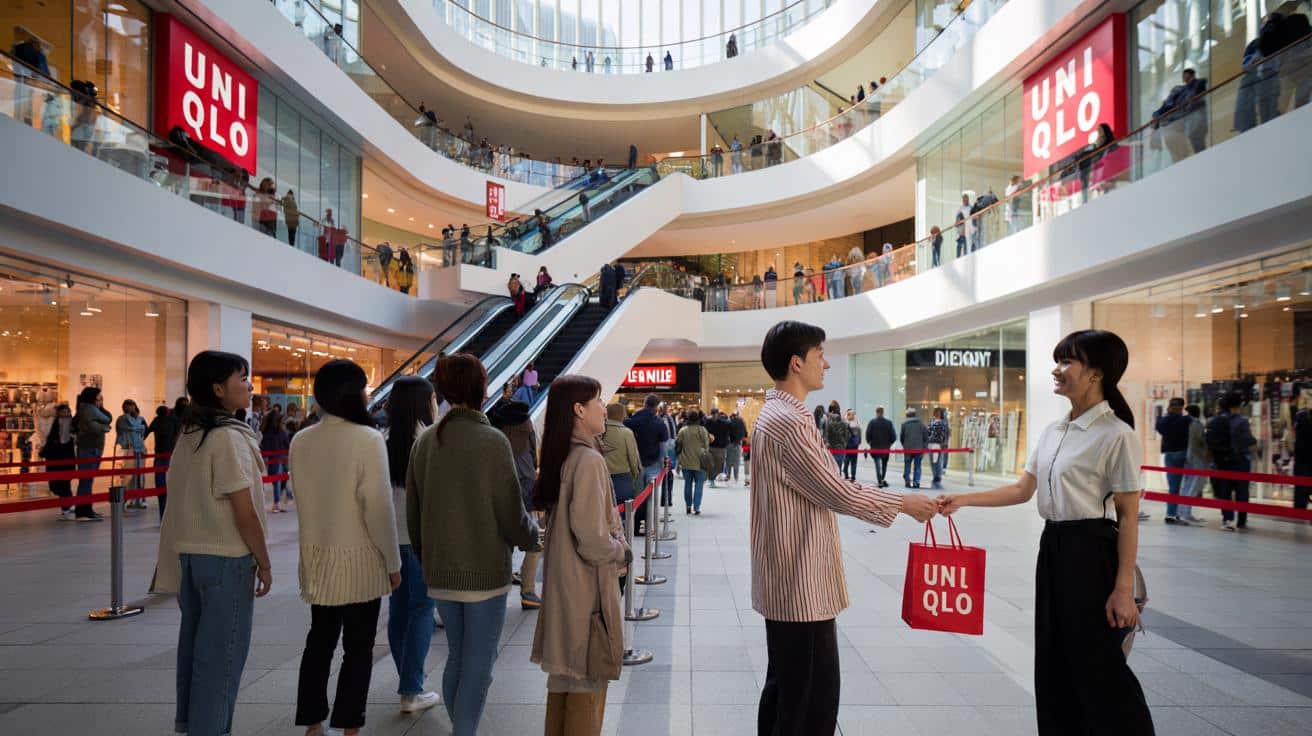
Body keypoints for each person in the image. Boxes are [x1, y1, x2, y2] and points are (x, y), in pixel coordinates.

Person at [938, 329, 1155, 735]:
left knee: (1098, 663)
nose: (1057, 370)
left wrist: (1123, 589)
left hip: (1093, 553)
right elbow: (1022, 490)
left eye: (1067, 361)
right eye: (1058, 360)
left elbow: (1128, 516)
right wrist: (964, 500)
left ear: (1096, 373)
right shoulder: (1054, 431)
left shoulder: (1117, 435)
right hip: (1053, 549)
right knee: (1053, 659)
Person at [753, 321, 936, 735]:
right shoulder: (789, 421)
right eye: (820, 355)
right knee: (809, 704)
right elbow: (836, 491)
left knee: (788, 694)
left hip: (790, 579)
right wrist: (902, 503)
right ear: (797, 363)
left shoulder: (780, 415)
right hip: (800, 584)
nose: (827, 364)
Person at [407, 354, 540, 736]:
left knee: (459, 657)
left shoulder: (426, 441)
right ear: (482, 388)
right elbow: (510, 512)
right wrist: (533, 538)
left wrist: (428, 557)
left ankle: (461, 727)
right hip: (484, 573)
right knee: (479, 666)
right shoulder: (492, 441)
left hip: (440, 571)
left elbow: (414, 512)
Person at [154, 351, 272, 736]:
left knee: (195, 650)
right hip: (226, 559)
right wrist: (264, 561)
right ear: (219, 389)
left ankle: (192, 725)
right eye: (242, 377)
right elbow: (244, 512)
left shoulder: (190, 434)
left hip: (191, 557)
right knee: (222, 658)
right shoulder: (227, 438)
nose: (249, 385)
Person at [290, 360, 402, 736]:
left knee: (319, 642)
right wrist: (393, 562)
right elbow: (379, 508)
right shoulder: (367, 439)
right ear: (353, 393)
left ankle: (313, 722)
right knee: (358, 648)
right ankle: (350, 725)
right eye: (364, 387)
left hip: (318, 558)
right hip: (360, 562)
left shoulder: (301, 440)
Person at [530, 375, 630, 735]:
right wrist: (621, 551)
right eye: (598, 400)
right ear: (579, 409)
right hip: (586, 592)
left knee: (563, 686)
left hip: (565, 588)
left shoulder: (564, 456)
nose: (604, 407)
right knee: (587, 685)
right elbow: (592, 539)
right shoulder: (587, 460)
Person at [382, 377, 442, 711]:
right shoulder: (429, 441)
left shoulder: (382, 440)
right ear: (424, 402)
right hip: (421, 542)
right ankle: (411, 688)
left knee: (399, 610)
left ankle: (408, 678)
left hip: (391, 541)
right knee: (422, 611)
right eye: (433, 399)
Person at [488, 393, 543, 609]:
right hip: (524, 494)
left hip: (500, 497)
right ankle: (528, 591)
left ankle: (500, 588)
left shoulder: (496, 435)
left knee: (504, 544)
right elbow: (532, 463)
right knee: (534, 543)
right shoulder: (525, 429)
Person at [1206, 392, 1257, 531]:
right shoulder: (1241, 421)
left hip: (1222, 460)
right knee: (1242, 491)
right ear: (1237, 405)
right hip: (1240, 460)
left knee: (1225, 491)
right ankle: (1241, 520)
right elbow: (1249, 440)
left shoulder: (1214, 421)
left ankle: (1227, 519)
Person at [625, 394, 670, 528]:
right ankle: (649, 523)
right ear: (657, 406)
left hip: (635, 464)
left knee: (637, 495)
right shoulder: (660, 423)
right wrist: (663, 466)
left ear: (644, 404)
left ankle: (636, 524)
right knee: (650, 496)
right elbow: (663, 447)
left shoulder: (632, 421)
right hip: (654, 464)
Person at [1151, 68, 1208, 162]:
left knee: (1195, 142)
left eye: (1186, 75)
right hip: (1176, 123)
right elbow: (1167, 105)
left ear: (1192, 75)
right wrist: (1156, 115)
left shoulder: (1199, 83)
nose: (1184, 77)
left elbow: (1197, 96)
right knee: (1178, 150)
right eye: (1183, 75)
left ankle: (1201, 159)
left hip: (1190, 118)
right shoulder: (1179, 90)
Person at [73, 386, 111, 521]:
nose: (100, 398)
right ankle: (84, 510)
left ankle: (85, 509)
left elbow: (107, 417)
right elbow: (104, 421)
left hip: (91, 447)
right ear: (92, 397)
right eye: (99, 396)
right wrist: (104, 427)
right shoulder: (89, 409)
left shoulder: (90, 408)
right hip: (89, 448)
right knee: (86, 480)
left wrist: (101, 407)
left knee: (87, 480)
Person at [1155, 398, 1194, 525]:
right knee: (1187, 486)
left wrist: (1167, 413)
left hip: (1169, 454)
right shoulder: (1186, 420)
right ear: (1182, 407)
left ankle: (1171, 513)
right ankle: (1182, 514)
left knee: (1173, 486)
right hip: (1184, 454)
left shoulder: (1163, 420)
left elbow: (1159, 426)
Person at [144, 399, 185, 518]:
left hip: (159, 453)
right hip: (170, 453)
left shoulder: (156, 421)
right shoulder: (173, 420)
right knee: (172, 484)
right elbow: (179, 435)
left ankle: (163, 515)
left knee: (160, 485)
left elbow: (146, 432)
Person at [603, 403, 643, 524]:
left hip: (601, 477)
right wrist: (636, 475)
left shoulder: (599, 431)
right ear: (622, 415)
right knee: (622, 515)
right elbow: (633, 458)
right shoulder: (626, 433)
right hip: (622, 478)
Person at [41, 404, 77, 520]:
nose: (66, 414)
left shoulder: (71, 424)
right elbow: (51, 440)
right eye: (63, 412)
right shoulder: (56, 424)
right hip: (56, 460)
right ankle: (67, 505)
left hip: (66, 459)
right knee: (57, 485)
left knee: (64, 484)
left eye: (67, 411)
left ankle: (66, 506)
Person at [677, 410, 711, 514]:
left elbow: (678, 446)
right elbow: (706, 445)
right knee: (699, 485)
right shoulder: (702, 430)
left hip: (686, 462)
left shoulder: (683, 430)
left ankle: (688, 505)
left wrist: (679, 459)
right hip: (700, 462)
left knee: (687, 484)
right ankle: (696, 507)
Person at [116, 399, 148, 509]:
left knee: (140, 476)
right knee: (128, 476)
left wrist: (139, 428)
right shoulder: (122, 419)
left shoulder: (141, 419)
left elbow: (144, 430)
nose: (130, 408)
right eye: (127, 406)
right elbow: (131, 427)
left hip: (140, 449)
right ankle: (128, 498)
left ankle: (140, 499)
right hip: (128, 450)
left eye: (132, 405)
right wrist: (140, 428)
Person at [1178, 404, 1208, 524]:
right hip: (1196, 457)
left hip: (1188, 456)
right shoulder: (1195, 424)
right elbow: (1199, 441)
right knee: (1193, 485)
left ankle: (1182, 512)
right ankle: (1186, 513)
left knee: (1186, 485)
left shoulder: (1185, 422)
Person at [260, 410, 291, 513]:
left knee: (276, 481)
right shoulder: (282, 432)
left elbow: (263, 446)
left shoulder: (264, 432)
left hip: (270, 459)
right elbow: (287, 445)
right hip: (281, 458)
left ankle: (280, 499)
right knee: (280, 480)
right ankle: (279, 500)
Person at [865, 405, 896, 488]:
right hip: (885, 448)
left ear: (876, 412)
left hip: (875, 447)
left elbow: (868, 435)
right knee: (884, 464)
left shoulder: (872, 422)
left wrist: (870, 442)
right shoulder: (889, 423)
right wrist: (889, 444)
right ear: (883, 412)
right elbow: (893, 437)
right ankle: (882, 478)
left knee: (877, 464)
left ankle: (880, 480)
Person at [899, 408, 927, 488]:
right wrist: (924, 447)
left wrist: (904, 445)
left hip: (908, 448)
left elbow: (902, 437)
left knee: (907, 465)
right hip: (919, 449)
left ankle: (907, 481)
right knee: (917, 465)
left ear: (907, 415)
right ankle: (916, 482)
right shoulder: (921, 424)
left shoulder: (904, 424)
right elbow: (925, 437)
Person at [1292, 404, 1312, 513]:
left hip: (1301, 462)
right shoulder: (1303, 418)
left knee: (1300, 491)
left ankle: (1299, 513)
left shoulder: (1300, 418)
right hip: (1306, 462)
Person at [706, 408, 732, 487]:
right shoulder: (707, 422)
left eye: (715, 414)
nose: (714, 416)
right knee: (712, 464)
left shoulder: (724, 423)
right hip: (713, 446)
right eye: (713, 414)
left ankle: (712, 479)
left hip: (719, 447)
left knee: (719, 465)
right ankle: (711, 479)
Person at [926, 407, 950, 489]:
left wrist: (943, 444)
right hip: (933, 445)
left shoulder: (941, 423)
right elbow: (928, 433)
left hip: (937, 445)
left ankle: (937, 478)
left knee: (937, 462)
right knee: (934, 462)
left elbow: (945, 435)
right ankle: (936, 477)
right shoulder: (934, 423)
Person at [822, 403, 850, 473]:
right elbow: (848, 436)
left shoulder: (829, 423)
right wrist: (844, 444)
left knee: (832, 469)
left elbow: (826, 436)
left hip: (832, 449)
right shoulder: (844, 423)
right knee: (839, 468)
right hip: (841, 449)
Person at [726, 410, 748, 483]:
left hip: (730, 443)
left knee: (729, 461)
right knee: (736, 461)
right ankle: (736, 477)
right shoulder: (741, 422)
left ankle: (728, 476)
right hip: (738, 444)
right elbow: (745, 433)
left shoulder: (729, 422)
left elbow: (727, 433)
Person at [842, 409, 862, 482]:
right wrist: (858, 442)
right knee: (854, 461)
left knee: (846, 460)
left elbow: (843, 435)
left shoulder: (845, 423)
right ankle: (853, 476)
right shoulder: (857, 424)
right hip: (855, 445)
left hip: (847, 445)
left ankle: (846, 474)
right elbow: (859, 435)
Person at [955, 193, 973, 258]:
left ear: (968, 200)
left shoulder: (971, 208)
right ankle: (959, 258)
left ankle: (967, 257)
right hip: (962, 230)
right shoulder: (960, 209)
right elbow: (957, 221)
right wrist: (958, 230)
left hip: (970, 229)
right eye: (964, 200)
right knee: (960, 245)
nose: (965, 201)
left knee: (968, 245)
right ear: (963, 200)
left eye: (966, 200)